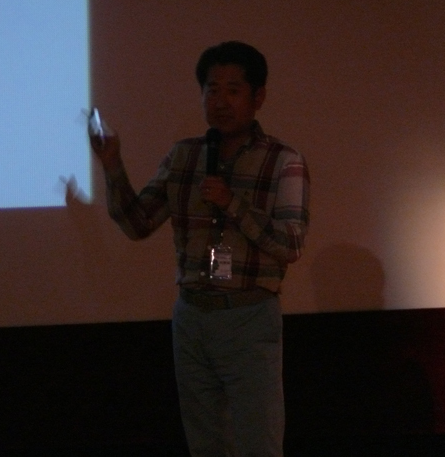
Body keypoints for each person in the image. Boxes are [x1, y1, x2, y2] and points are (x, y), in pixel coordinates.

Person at [89, 41, 310, 457]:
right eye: (212, 90)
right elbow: (137, 223)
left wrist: (232, 203)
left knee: (257, 442)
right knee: (205, 443)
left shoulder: (284, 161)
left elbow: (291, 244)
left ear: (258, 97)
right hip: (191, 316)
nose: (220, 101)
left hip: (248, 316)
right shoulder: (184, 156)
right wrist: (113, 163)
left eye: (233, 90)